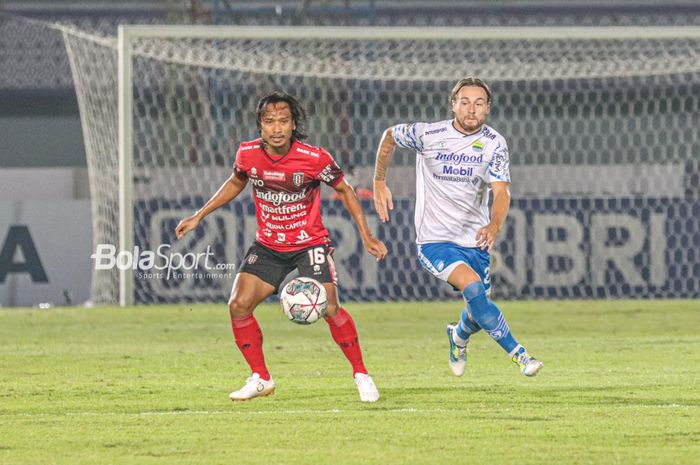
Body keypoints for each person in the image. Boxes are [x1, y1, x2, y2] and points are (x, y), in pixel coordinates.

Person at [176, 91, 388, 402]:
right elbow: (236, 181)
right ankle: (260, 378)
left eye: (283, 121)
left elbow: (344, 190)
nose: (276, 128)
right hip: (269, 244)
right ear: (260, 125)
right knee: (238, 305)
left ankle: (361, 375)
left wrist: (367, 235)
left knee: (330, 308)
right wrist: (200, 215)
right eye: (269, 122)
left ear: (293, 125)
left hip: (309, 243)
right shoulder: (247, 154)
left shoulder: (315, 158)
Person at [372, 77, 543, 377]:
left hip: (475, 240)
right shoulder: (428, 134)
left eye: (478, 103)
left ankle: (458, 335)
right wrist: (378, 181)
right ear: (453, 104)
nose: (471, 109)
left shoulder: (494, 143)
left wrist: (494, 224)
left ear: (488, 108)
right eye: (464, 102)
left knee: (478, 310)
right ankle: (521, 356)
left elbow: (501, 192)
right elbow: (389, 136)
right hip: (434, 240)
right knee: (474, 289)